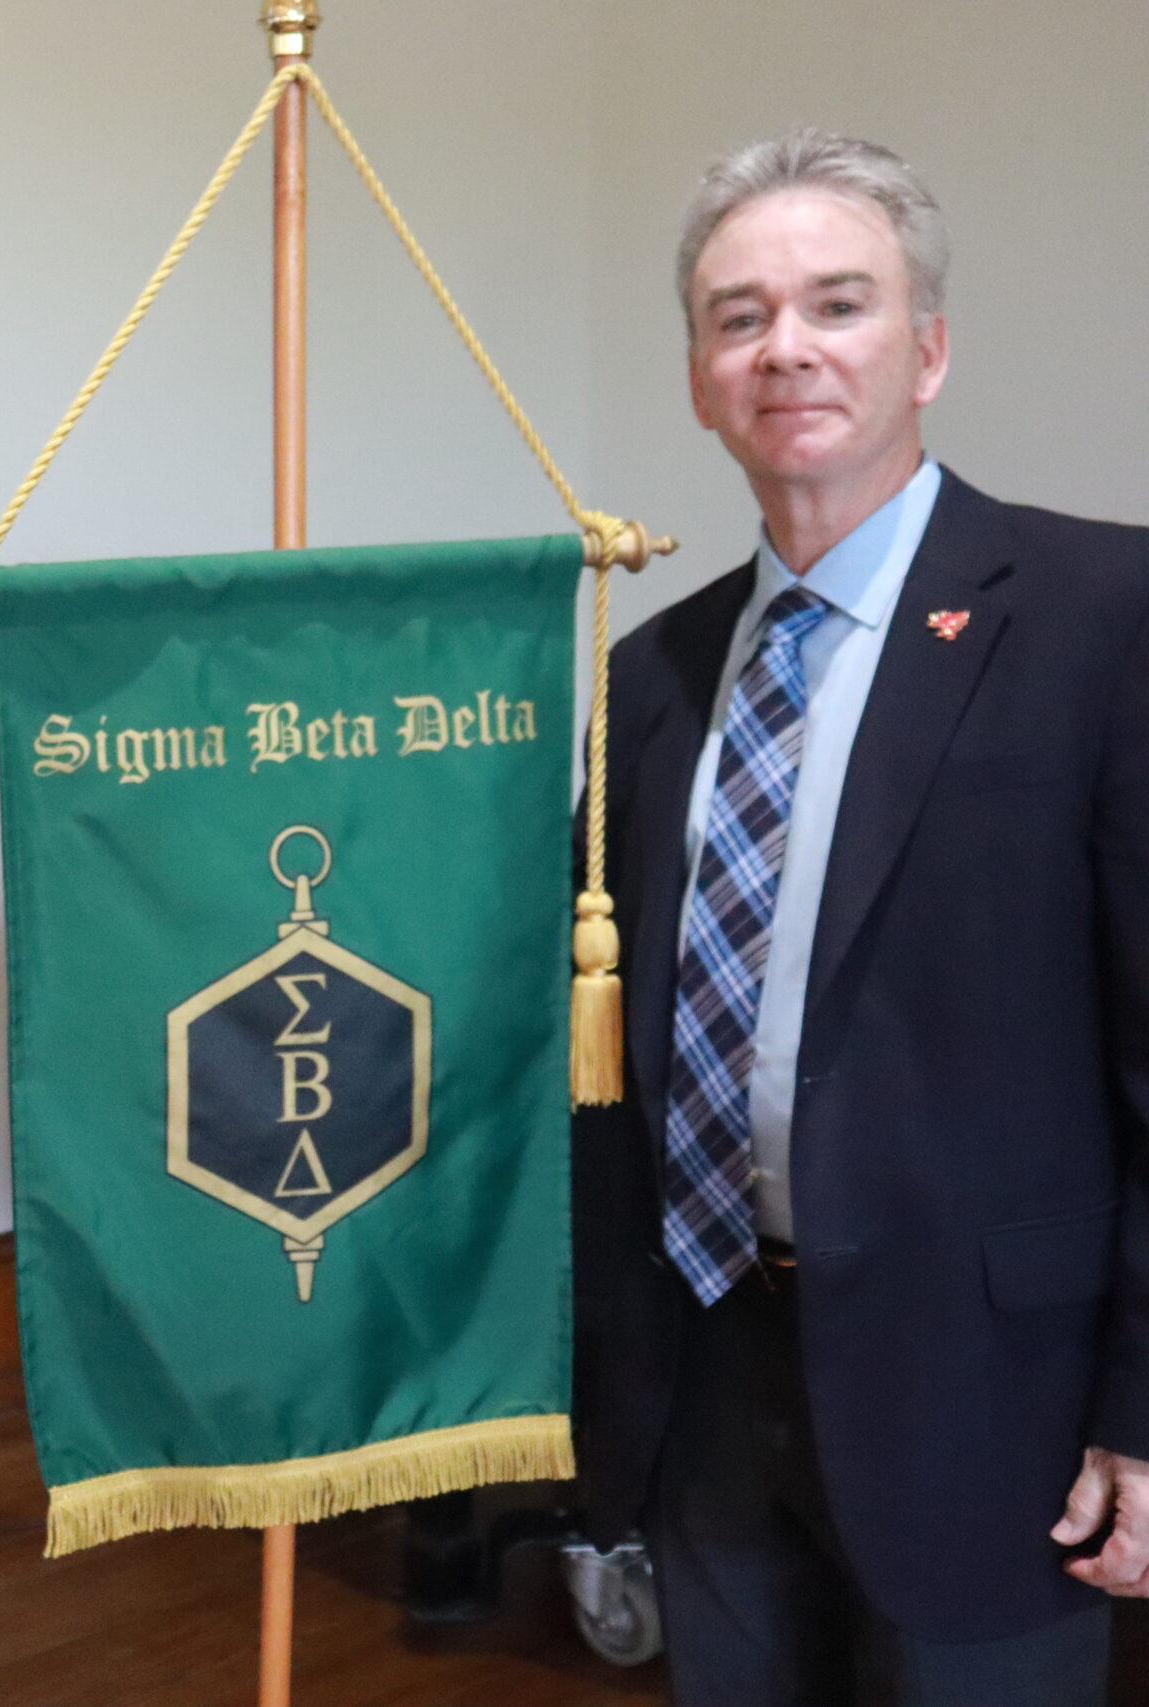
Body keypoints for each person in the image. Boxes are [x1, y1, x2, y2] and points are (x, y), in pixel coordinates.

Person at [572, 128, 1149, 1705]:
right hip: (707, 1372)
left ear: (928, 350)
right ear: (700, 380)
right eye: (739, 317)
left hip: (996, 1400)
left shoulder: (1105, 619)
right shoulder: (651, 677)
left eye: (838, 304)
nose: (787, 349)